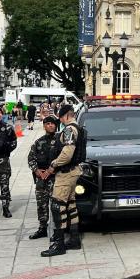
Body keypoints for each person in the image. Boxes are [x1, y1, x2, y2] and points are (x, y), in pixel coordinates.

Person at [41, 104, 86, 257]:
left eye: (60, 118)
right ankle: (74, 239)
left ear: (66, 115)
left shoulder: (69, 130)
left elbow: (67, 154)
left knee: (57, 206)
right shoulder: (78, 128)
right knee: (71, 205)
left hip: (66, 173)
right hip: (74, 171)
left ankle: (59, 244)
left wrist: (53, 165)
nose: (59, 121)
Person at [27, 114, 61, 240]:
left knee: (56, 206)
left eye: (52, 123)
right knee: (41, 205)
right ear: (44, 126)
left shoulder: (60, 140)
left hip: (56, 178)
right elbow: (31, 158)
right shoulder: (38, 142)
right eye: (47, 124)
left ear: (56, 125)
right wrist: (36, 170)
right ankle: (42, 228)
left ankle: (58, 231)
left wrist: (52, 170)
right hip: (41, 180)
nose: (50, 125)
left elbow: (64, 159)